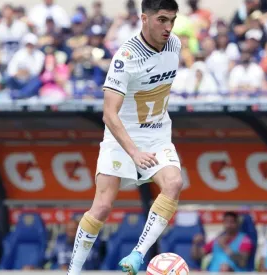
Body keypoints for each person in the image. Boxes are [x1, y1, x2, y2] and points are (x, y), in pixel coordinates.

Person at [66, 0, 183, 274]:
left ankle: (137, 255)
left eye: (173, 20)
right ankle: (72, 272)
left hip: (157, 136)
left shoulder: (175, 45)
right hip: (122, 138)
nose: (169, 27)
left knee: (174, 183)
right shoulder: (126, 58)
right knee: (103, 206)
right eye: (162, 20)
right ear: (144, 18)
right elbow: (109, 114)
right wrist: (133, 152)